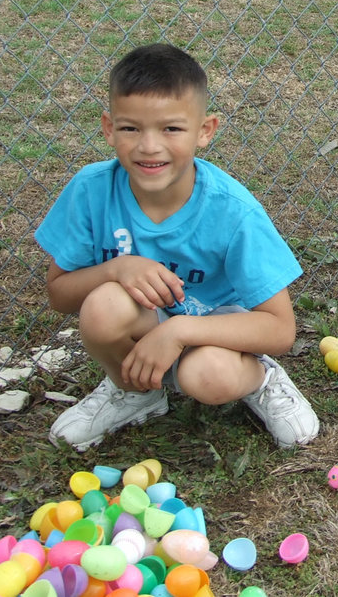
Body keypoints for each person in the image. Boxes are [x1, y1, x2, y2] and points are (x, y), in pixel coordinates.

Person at [35, 43, 320, 450]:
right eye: (131, 128)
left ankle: (263, 380)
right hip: (141, 326)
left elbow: (280, 329)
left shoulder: (232, 210)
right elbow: (60, 295)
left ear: (205, 131)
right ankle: (134, 393)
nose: (149, 146)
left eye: (171, 128)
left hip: (213, 335)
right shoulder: (90, 190)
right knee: (102, 306)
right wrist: (117, 269)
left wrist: (180, 330)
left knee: (208, 375)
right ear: (108, 128)